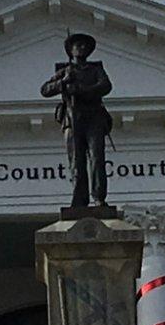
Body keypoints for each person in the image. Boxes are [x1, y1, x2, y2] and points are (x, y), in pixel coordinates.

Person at [40, 31, 112, 209]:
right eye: (77, 45)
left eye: (84, 46)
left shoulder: (95, 70)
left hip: (93, 117)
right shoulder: (66, 71)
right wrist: (63, 83)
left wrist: (80, 90)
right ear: (70, 50)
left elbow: (105, 86)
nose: (81, 48)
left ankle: (98, 196)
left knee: (97, 157)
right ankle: (79, 199)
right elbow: (45, 90)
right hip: (72, 119)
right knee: (76, 160)